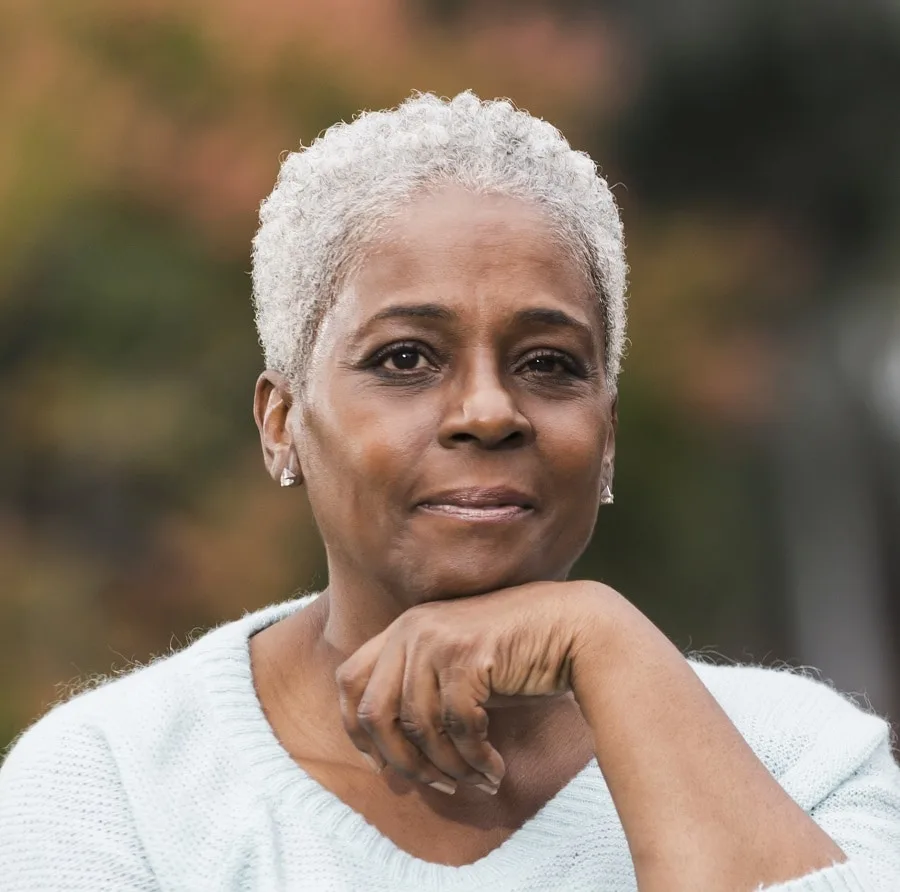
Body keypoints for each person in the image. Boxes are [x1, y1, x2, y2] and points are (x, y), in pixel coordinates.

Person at [1, 91, 898, 892]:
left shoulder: (801, 760)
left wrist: (605, 641)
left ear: (608, 435)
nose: (488, 411)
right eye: (405, 358)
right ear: (282, 423)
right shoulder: (114, 785)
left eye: (549, 364)